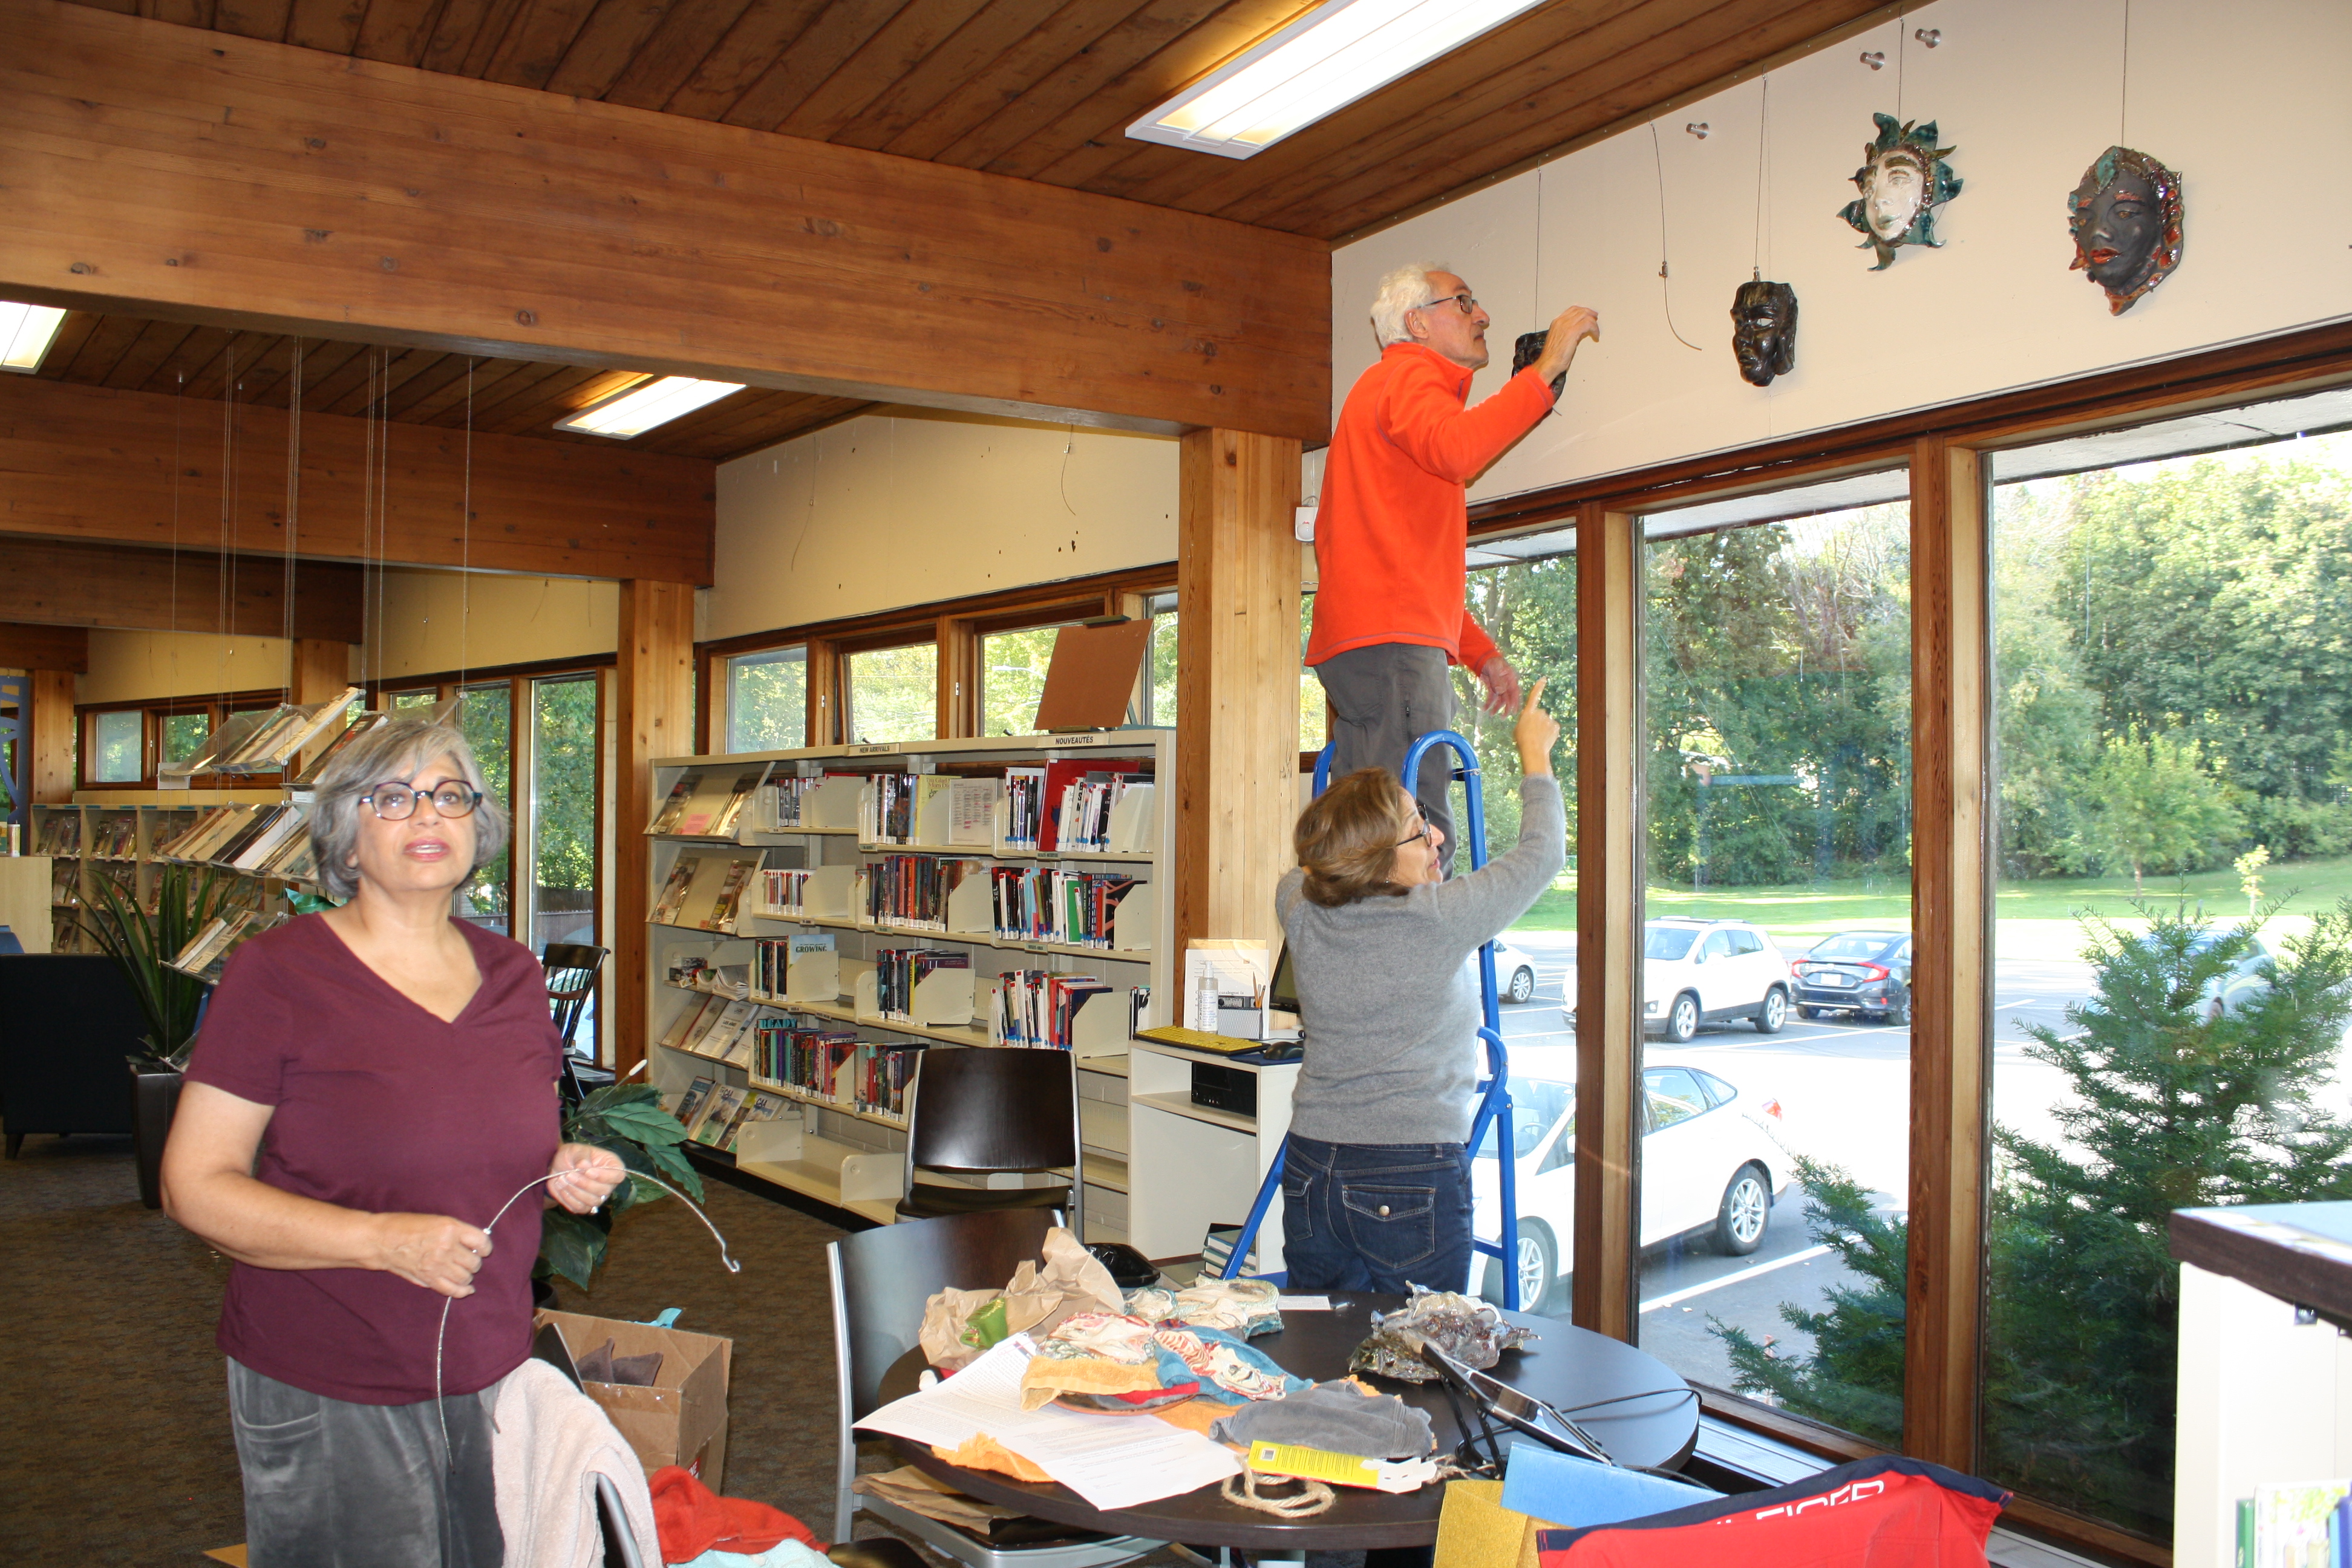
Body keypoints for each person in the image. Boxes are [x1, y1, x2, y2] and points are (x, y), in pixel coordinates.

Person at [161, 718, 627, 1567]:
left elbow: (490, 1133)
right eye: (394, 796)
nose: (429, 815)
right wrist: (382, 1242)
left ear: (478, 826)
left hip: (489, 1362)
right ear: (346, 832)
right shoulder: (279, 974)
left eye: (451, 796)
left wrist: (562, 1165)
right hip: (332, 1372)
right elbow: (195, 1185)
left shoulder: (514, 975)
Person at [1277, 679, 1564, 1293]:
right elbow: (1541, 856)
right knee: (1423, 1360)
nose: (1436, 837)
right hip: (1406, 1170)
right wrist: (1534, 757)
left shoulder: (1299, 909)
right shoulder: (1436, 918)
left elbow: (1308, 870)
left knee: (1319, 1347)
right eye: (1417, 831)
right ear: (1376, 857)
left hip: (1311, 1167)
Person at [1307, 263, 1598, 868]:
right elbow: (1460, 449)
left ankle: (1380, 957)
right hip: (1390, 647)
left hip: (1371, 643)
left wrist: (1479, 651)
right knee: (1416, 838)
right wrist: (1544, 371)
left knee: (1376, 833)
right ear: (1417, 322)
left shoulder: (1383, 398)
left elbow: (1403, 569)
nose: (1481, 315)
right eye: (1462, 303)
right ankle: (1417, 960)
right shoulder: (1408, 377)